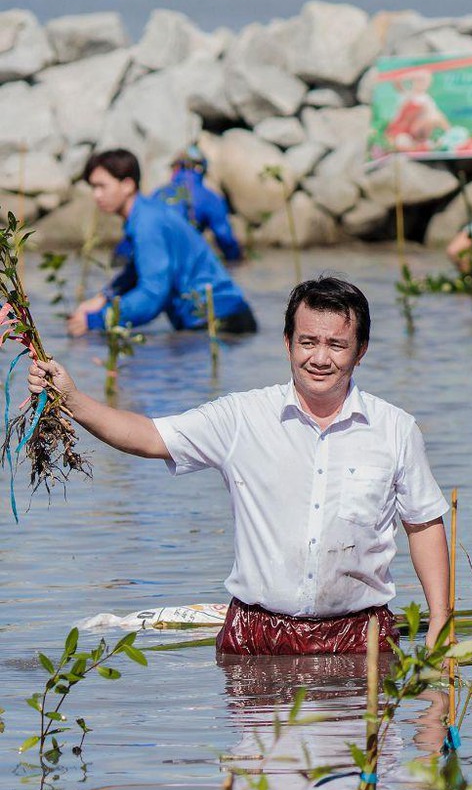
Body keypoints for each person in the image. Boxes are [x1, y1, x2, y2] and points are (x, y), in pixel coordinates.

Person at [29, 277, 450, 655]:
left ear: (360, 351)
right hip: (256, 637)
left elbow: (423, 524)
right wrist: (72, 399)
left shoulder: (395, 429)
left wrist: (442, 618)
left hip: (360, 639)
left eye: (336, 345)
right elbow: (149, 437)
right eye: (307, 342)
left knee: (369, 742)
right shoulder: (241, 418)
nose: (320, 358)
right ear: (287, 343)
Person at [65, 149, 256, 337]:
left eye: (102, 186)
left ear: (127, 185)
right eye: (93, 187)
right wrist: (103, 298)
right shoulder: (146, 213)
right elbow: (137, 270)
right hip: (215, 318)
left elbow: (153, 294)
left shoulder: (147, 223)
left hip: (222, 322)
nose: (96, 195)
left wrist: (95, 321)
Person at [154, 145, 243, 263]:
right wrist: (237, 260)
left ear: (176, 168)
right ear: (203, 170)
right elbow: (225, 238)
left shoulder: (157, 195)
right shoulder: (210, 198)